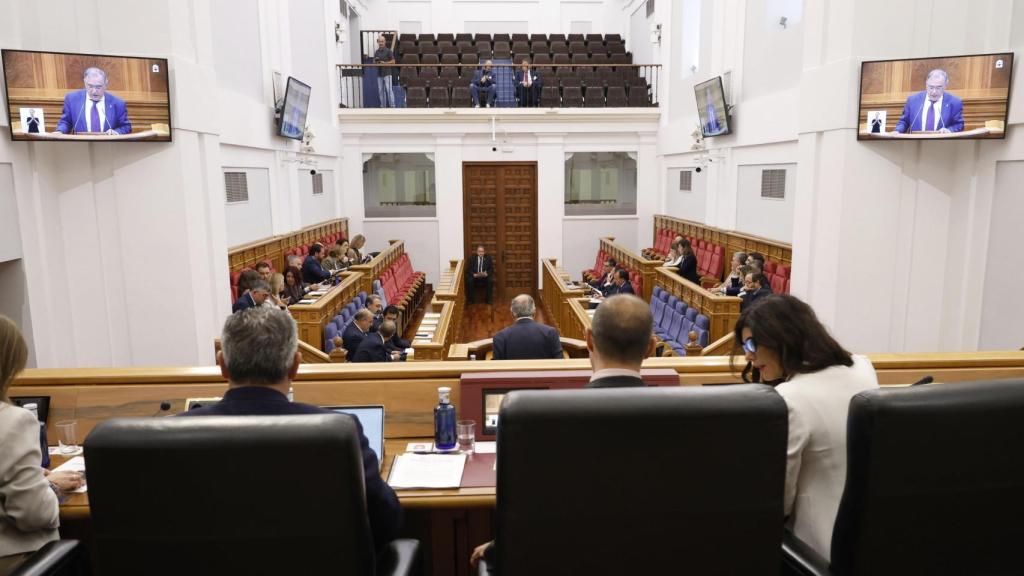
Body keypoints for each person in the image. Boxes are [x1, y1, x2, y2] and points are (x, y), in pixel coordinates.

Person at [181, 308, 402, 553]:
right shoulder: (338, 430)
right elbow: (388, 519)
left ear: (221, 365)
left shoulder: (175, 435)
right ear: (296, 366)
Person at [471, 294, 655, 569]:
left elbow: (538, 512)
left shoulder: (551, 420)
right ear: (651, 347)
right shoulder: (689, 421)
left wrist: (496, 548)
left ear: (589, 340)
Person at [734, 294, 879, 561]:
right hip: (872, 535)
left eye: (752, 343)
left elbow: (779, 500)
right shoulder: (862, 366)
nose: (749, 356)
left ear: (782, 336)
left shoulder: (791, 398)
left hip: (815, 549)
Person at [0, 315, 85, 573]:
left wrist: (31, 476)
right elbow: (33, 515)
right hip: (16, 560)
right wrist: (49, 485)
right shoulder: (13, 421)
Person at [54, 67, 131, 135]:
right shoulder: (72, 99)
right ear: (85, 83)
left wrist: (116, 132)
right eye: (90, 86)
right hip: (80, 146)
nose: (94, 91)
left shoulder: (117, 103)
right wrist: (60, 131)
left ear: (106, 85)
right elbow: (66, 122)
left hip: (108, 147)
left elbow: (126, 127)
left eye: (98, 87)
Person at [893, 69, 964, 134]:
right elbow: (904, 122)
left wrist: (949, 130)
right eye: (931, 87)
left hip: (942, 144)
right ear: (926, 84)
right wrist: (897, 131)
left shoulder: (955, 103)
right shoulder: (913, 100)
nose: (934, 92)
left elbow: (959, 125)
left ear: (945, 85)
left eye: (938, 88)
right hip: (915, 143)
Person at [492, 294, 563, 360]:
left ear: (512, 313)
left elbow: (496, 367)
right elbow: (560, 362)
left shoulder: (500, 337)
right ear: (534, 312)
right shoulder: (550, 333)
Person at [373, 35, 396, 108]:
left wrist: (384, 63)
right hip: (379, 74)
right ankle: (383, 106)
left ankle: (392, 106)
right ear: (378, 42)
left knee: (389, 90)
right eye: (379, 41)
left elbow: (393, 62)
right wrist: (375, 62)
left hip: (387, 73)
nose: (381, 43)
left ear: (385, 42)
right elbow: (374, 61)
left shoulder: (388, 51)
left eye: (382, 41)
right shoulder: (376, 52)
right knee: (380, 91)